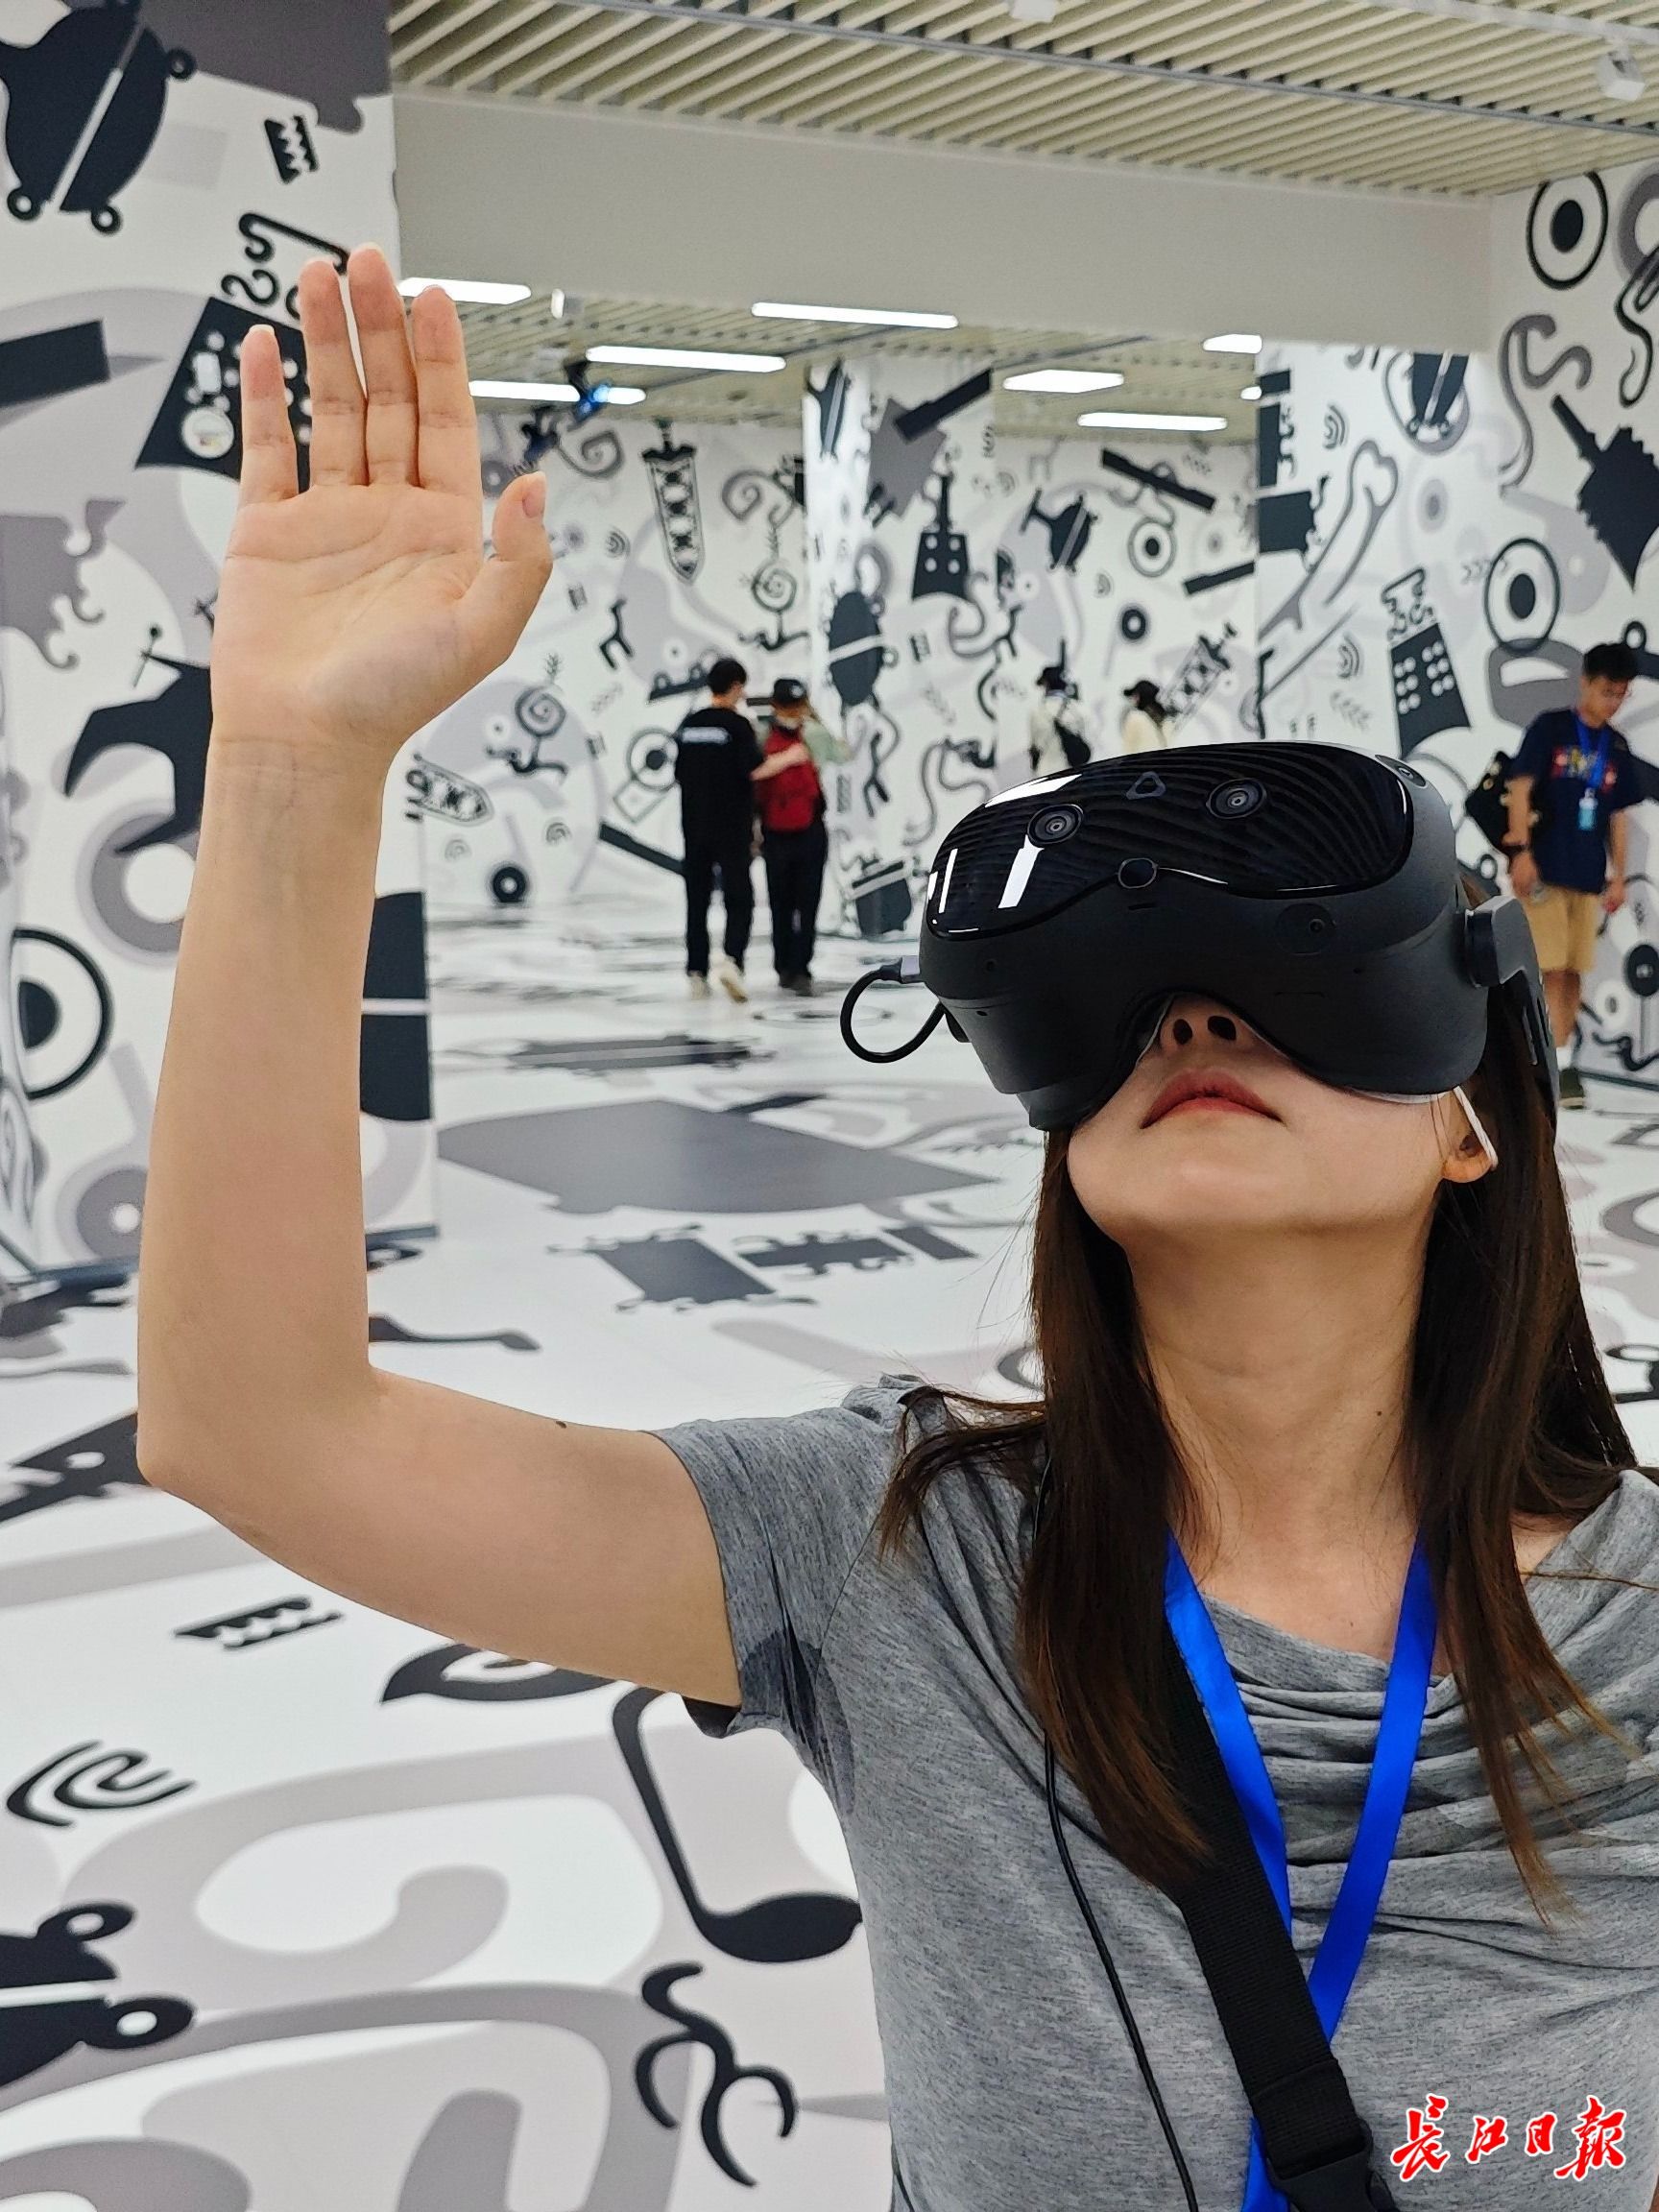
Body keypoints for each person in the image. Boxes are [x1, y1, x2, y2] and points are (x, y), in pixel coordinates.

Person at [140, 253, 1659, 2212]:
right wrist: (294, 766)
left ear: (1471, 1121)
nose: (1194, 1023)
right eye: (1131, 1004)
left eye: (1279, 983)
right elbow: (259, 1429)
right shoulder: (902, 1559)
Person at [1504, 640, 1642, 1109]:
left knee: (1571, 971)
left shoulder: (1616, 746)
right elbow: (1519, 790)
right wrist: (1520, 852)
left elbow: (1618, 817)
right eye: (1607, 691)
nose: (1613, 702)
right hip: (1544, 870)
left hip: (1587, 876)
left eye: (1621, 693)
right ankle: (1534, 1064)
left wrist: (1619, 875)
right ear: (1585, 682)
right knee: (1542, 968)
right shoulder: (1551, 729)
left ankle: (1562, 1062)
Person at [673, 654, 758, 1001]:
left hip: (694, 826)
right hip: (732, 827)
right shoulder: (738, 727)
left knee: (697, 900)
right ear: (735, 687)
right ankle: (732, 961)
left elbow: (679, 773)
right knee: (739, 897)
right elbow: (752, 769)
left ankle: (696, 970)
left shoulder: (689, 725)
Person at [755, 676, 829, 996]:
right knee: (783, 904)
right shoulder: (762, 737)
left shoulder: (813, 734)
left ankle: (798, 966)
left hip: (808, 828)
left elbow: (841, 752)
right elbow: (752, 774)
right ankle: (787, 966)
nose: (793, 712)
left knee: (805, 903)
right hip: (777, 831)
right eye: (789, 706)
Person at [1029, 662, 1090, 778]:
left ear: (1046, 684)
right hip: (1074, 774)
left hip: (1046, 773)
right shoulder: (1078, 710)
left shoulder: (1037, 712)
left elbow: (1035, 746)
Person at [1121, 677, 1171, 754]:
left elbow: (1155, 690)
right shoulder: (1141, 706)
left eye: (1134, 696)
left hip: (1157, 709)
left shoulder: (1141, 686)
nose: (1134, 700)